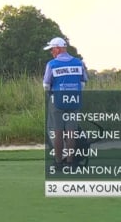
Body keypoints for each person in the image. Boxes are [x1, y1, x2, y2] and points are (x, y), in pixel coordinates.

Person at [42, 36, 88, 170]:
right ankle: (70, 162)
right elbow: (83, 82)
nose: (51, 52)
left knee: (57, 132)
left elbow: (46, 85)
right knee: (71, 132)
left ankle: (58, 162)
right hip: (74, 100)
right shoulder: (78, 62)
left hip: (57, 100)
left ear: (58, 48)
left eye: (52, 49)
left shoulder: (52, 64)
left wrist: (51, 94)